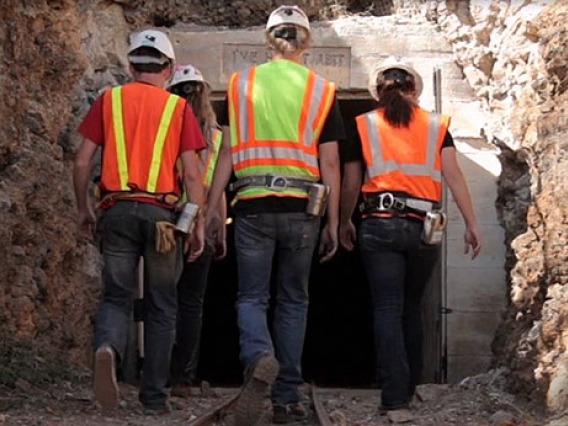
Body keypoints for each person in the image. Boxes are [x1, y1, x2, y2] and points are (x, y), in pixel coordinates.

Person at [205, 5, 345, 425]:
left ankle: (258, 356)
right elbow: (332, 163)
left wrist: (213, 206)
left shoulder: (240, 84)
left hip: (251, 204)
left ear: (269, 40)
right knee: (293, 300)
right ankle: (287, 396)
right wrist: (335, 222)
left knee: (251, 296)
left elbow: (227, 152)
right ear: (307, 41)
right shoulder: (322, 89)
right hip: (303, 208)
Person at [339, 56, 482, 415]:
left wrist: (343, 220)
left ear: (377, 92)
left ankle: (394, 395)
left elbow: (352, 181)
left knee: (387, 307)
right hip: (424, 227)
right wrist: (471, 223)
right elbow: (454, 176)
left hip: (380, 222)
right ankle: (413, 384)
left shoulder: (365, 124)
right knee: (411, 306)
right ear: (415, 90)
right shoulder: (436, 125)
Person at [73, 29, 206, 414]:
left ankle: (106, 348)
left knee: (117, 296)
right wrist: (196, 223)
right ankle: (154, 398)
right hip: (163, 218)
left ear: (131, 66)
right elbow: (194, 175)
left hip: (115, 211)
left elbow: (82, 161)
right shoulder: (178, 109)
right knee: (162, 305)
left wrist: (84, 207)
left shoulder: (108, 100)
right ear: (167, 68)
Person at [166, 64, 227, 395]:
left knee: (164, 297)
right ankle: (183, 377)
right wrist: (220, 227)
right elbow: (215, 184)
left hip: (168, 213)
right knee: (192, 300)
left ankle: (156, 372)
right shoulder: (217, 136)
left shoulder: (166, 127)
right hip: (202, 217)